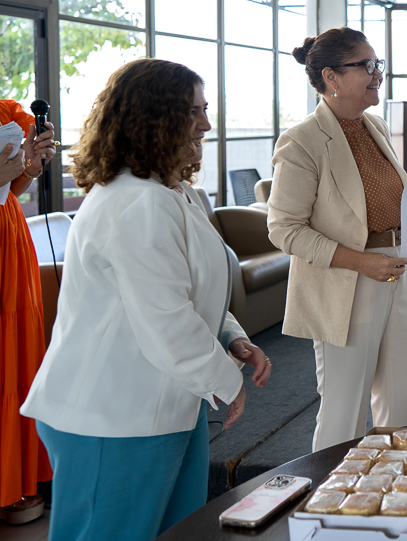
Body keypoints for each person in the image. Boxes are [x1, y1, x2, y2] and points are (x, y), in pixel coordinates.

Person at [20, 59, 271, 541]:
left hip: (166, 405)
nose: (206, 125)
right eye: (193, 112)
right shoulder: (137, 201)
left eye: (205, 110)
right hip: (112, 417)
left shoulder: (169, 192)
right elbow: (166, 319)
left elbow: (188, 288)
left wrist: (231, 337)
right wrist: (229, 382)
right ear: (152, 118)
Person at [268, 26, 407, 452]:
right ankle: (330, 489)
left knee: (405, 401)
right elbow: (284, 229)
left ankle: (397, 483)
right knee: (344, 410)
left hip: (396, 271)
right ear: (331, 77)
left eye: (378, 63)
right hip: (345, 281)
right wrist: (359, 261)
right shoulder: (301, 141)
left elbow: (380, 200)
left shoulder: (376, 126)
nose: (377, 74)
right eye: (366, 65)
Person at [0, 99, 56, 525]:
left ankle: (13, 479)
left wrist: (31, 166)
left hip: (8, 234)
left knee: (14, 354)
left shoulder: (7, 112)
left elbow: (12, 188)